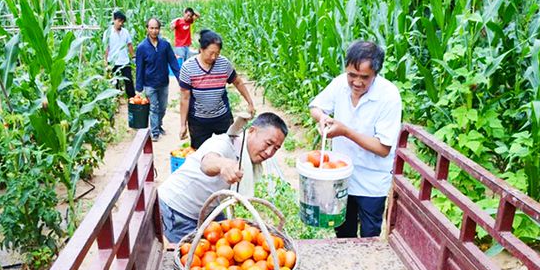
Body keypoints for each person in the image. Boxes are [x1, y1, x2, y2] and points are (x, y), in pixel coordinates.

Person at [309, 40, 402, 238]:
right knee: (342, 230)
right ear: (346, 69)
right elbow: (315, 107)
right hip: (341, 175)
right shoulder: (340, 84)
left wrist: (345, 131)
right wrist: (323, 117)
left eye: (364, 77)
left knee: (369, 235)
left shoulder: (389, 96)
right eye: (352, 75)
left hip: (372, 179)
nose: (357, 82)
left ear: (376, 74)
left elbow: (383, 148)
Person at [158, 112, 288, 244]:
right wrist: (223, 164)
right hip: (176, 211)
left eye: (276, 148)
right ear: (252, 131)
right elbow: (207, 162)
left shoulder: (247, 158)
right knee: (196, 256)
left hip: (208, 210)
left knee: (231, 242)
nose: (269, 152)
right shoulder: (222, 143)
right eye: (268, 143)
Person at [178, 30, 256, 149]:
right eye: (211, 53)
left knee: (227, 149)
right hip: (198, 120)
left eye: (217, 53)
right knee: (200, 154)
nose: (214, 57)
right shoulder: (188, 67)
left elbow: (238, 82)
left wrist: (250, 102)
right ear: (201, 49)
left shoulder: (223, 64)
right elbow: (185, 97)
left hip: (222, 117)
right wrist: (183, 125)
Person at [135, 18, 181, 141]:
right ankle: (155, 132)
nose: (154, 31)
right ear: (147, 29)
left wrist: (181, 80)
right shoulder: (142, 47)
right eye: (152, 28)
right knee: (154, 108)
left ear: (159, 29)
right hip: (149, 84)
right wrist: (138, 88)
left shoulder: (165, 45)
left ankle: (159, 125)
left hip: (163, 82)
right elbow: (139, 68)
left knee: (162, 107)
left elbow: (173, 63)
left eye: (156, 28)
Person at [103, 10, 135, 98]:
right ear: (114, 20)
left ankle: (132, 99)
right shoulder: (108, 33)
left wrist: (133, 56)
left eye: (122, 22)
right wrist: (105, 60)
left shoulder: (125, 32)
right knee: (114, 83)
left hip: (124, 61)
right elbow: (106, 48)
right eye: (119, 21)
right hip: (113, 62)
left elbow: (129, 44)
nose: (121, 23)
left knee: (128, 81)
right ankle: (115, 101)